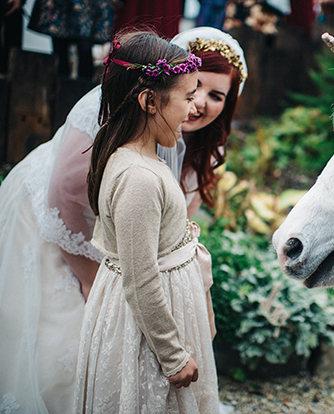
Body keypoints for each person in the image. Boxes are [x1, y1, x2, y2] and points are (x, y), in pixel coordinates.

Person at [0, 26, 246, 413]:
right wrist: (91, 279)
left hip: (126, 244)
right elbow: (65, 195)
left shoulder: (170, 129)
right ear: (155, 93)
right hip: (57, 218)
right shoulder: (133, 158)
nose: (198, 104)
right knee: (65, 342)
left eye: (215, 95)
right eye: (191, 91)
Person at [71, 30, 218, 412]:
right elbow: (140, 277)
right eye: (187, 97)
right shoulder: (139, 177)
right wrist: (172, 356)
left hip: (163, 312)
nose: (192, 108)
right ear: (149, 101)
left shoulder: (143, 160)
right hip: (148, 331)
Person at [27, 0, 115, 79]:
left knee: (85, 50)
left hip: (88, 7)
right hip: (62, 6)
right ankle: (59, 91)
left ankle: (84, 92)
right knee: (60, 51)